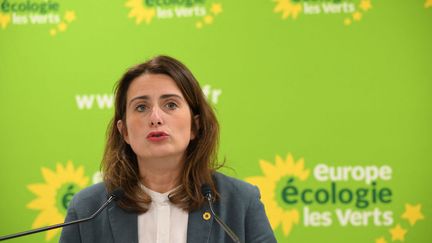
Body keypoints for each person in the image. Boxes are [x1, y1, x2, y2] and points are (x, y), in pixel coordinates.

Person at [60, 55, 276, 243]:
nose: (155, 118)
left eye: (170, 105)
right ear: (124, 130)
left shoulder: (240, 202)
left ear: (196, 125)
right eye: (141, 107)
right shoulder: (88, 209)